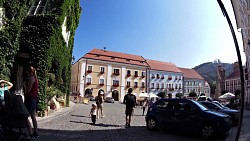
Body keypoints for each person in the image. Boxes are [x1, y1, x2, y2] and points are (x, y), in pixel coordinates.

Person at [24, 66, 39, 138]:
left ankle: (30, 133)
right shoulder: (36, 78)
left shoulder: (31, 78)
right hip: (34, 99)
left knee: (25, 116)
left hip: (30, 99)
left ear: (29, 72)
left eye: (27, 72)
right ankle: (36, 132)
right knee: (33, 116)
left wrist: (24, 85)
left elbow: (28, 91)